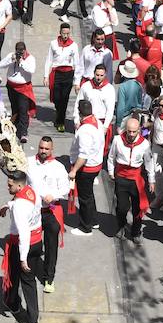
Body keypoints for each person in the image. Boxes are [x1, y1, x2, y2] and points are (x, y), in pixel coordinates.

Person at [0, 170, 42, 323]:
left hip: (23, 245)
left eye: (10, 185)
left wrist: (23, 258)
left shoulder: (19, 206)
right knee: (30, 282)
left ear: (19, 185)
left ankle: (18, 310)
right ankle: (34, 319)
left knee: (16, 275)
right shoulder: (31, 191)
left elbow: (23, 233)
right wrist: (8, 205)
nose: (7, 187)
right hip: (38, 242)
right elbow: (30, 208)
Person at [26, 137, 70, 295]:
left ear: (52, 150)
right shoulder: (28, 162)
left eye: (46, 149)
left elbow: (65, 189)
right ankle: (28, 271)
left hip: (51, 211)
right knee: (32, 244)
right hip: (34, 212)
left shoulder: (58, 167)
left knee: (51, 247)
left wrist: (54, 195)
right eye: (41, 148)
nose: (43, 151)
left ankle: (49, 278)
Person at [105, 116, 152, 244]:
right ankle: (121, 226)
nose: (131, 134)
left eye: (134, 131)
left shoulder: (144, 144)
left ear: (139, 130)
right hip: (121, 178)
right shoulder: (117, 140)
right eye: (129, 131)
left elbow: (148, 162)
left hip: (136, 178)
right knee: (122, 208)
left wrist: (151, 180)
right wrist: (111, 171)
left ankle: (136, 231)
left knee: (138, 208)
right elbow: (111, 157)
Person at [68, 99, 103, 237]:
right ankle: (93, 220)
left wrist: (74, 170)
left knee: (84, 198)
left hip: (87, 168)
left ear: (79, 112)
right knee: (89, 195)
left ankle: (85, 227)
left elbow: (83, 155)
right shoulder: (97, 122)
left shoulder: (85, 130)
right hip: (95, 164)